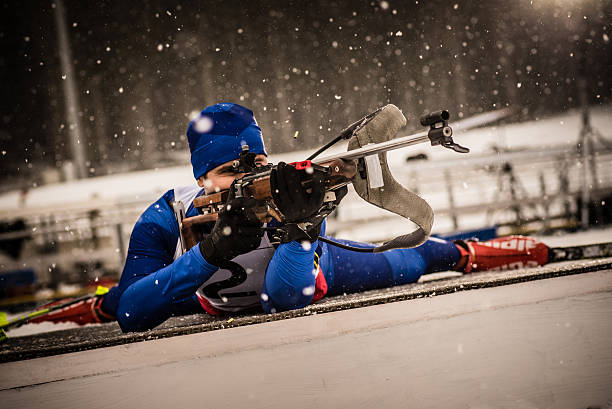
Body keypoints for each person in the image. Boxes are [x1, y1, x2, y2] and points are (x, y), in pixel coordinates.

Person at [34, 103, 549, 332]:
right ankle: (84, 307)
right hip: (212, 301)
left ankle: (475, 252)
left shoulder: (288, 187)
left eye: (254, 164)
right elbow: (133, 314)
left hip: (315, 273)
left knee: (412, 260)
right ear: (199, 176)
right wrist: (210, 252)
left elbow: (287, 298)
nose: (244, 176)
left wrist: (303, 228)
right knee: (117, 300)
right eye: (225, 170)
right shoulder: (166, 214)